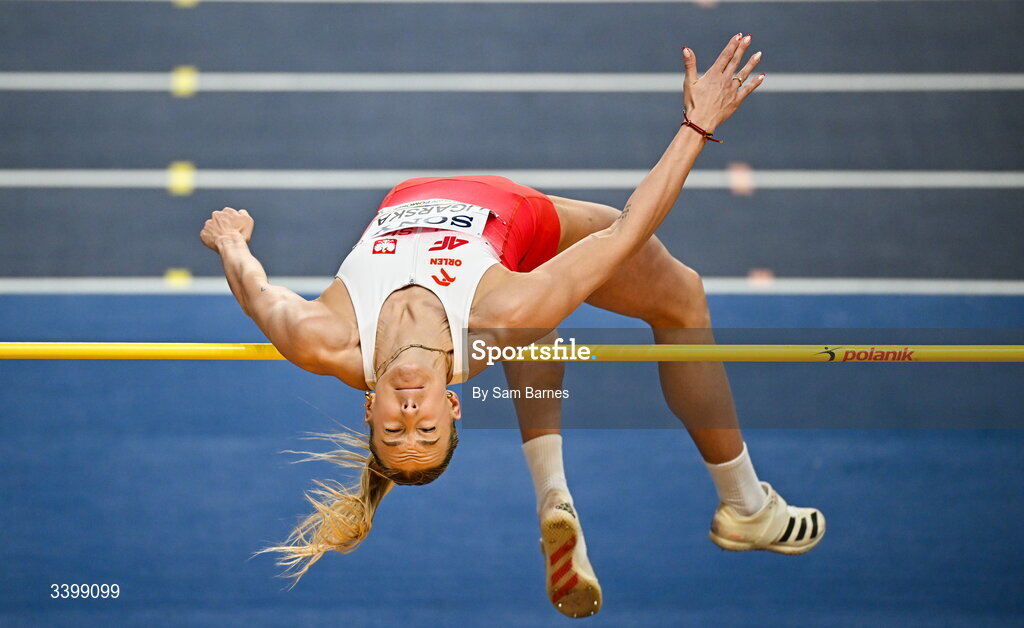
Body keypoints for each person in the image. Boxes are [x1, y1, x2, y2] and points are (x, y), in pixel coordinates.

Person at [200, 35, 823, 619]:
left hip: (460, 239)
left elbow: (257, 294)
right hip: (529, 224)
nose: (411, 409)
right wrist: (698, 125)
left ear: (370, 409)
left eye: (396, 426)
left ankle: (555, 492)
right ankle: (745, 505)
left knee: (532, 320)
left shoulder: (324, 340)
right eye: (427, 426)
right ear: (452, 406)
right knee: (677, 300)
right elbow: (626, 230)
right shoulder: (500, 314)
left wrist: (232, 244)